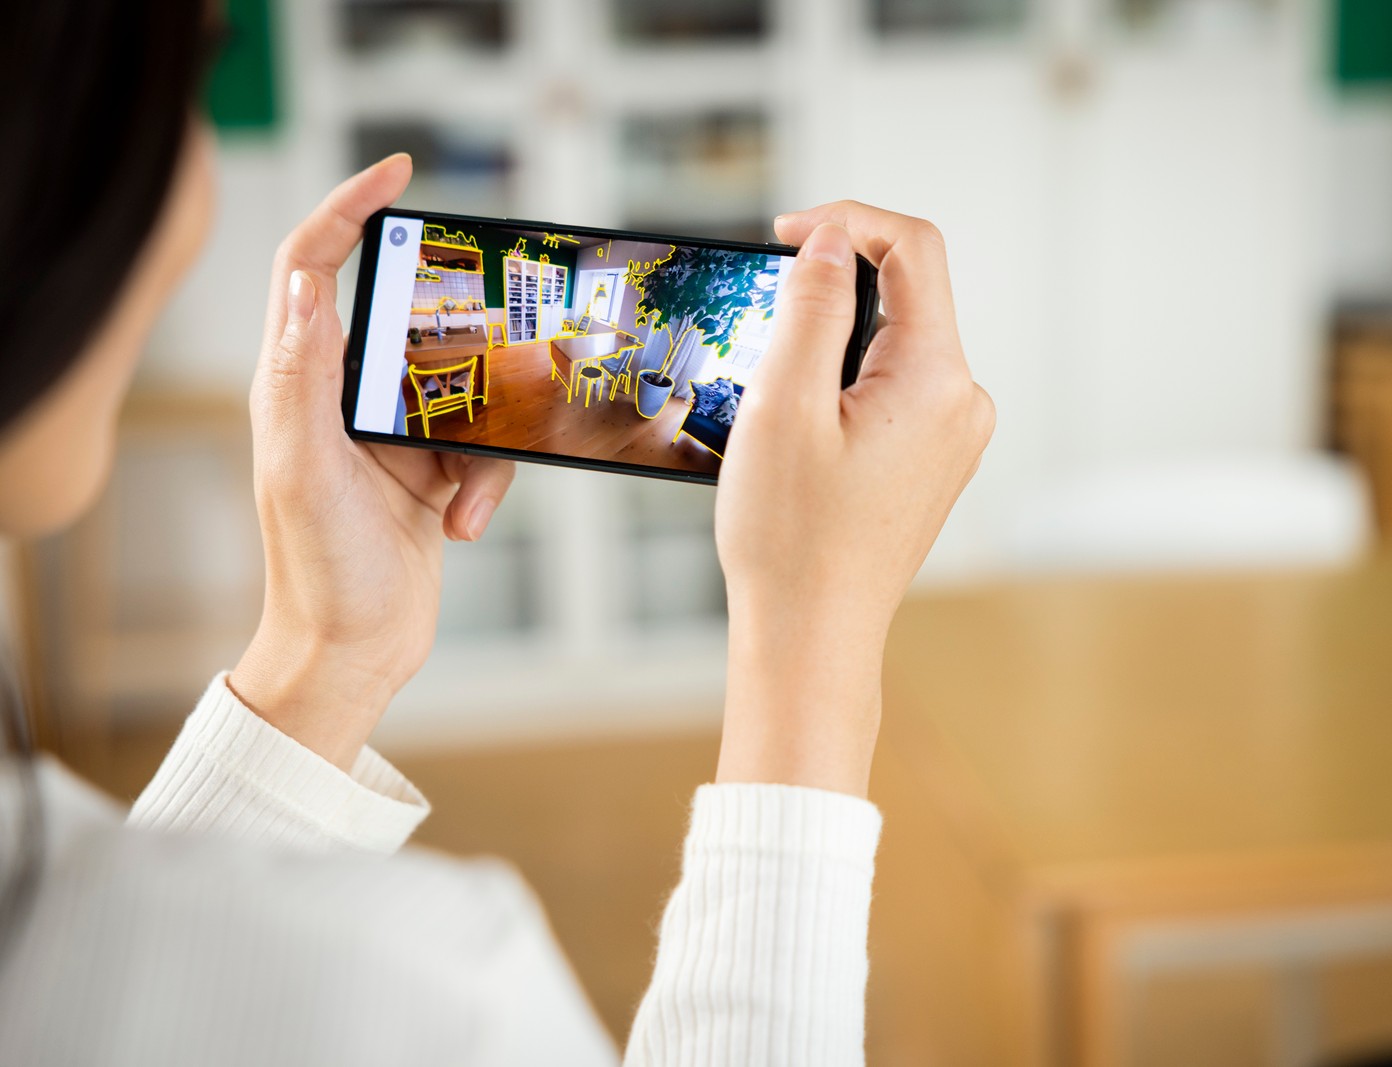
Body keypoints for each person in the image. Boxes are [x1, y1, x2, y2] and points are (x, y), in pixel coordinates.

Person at [0, 4, 993, 1064]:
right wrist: (816, 634)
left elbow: (119, 979)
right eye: (189, 87)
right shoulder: (428, 992)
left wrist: (328, 646)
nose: (196, 195)